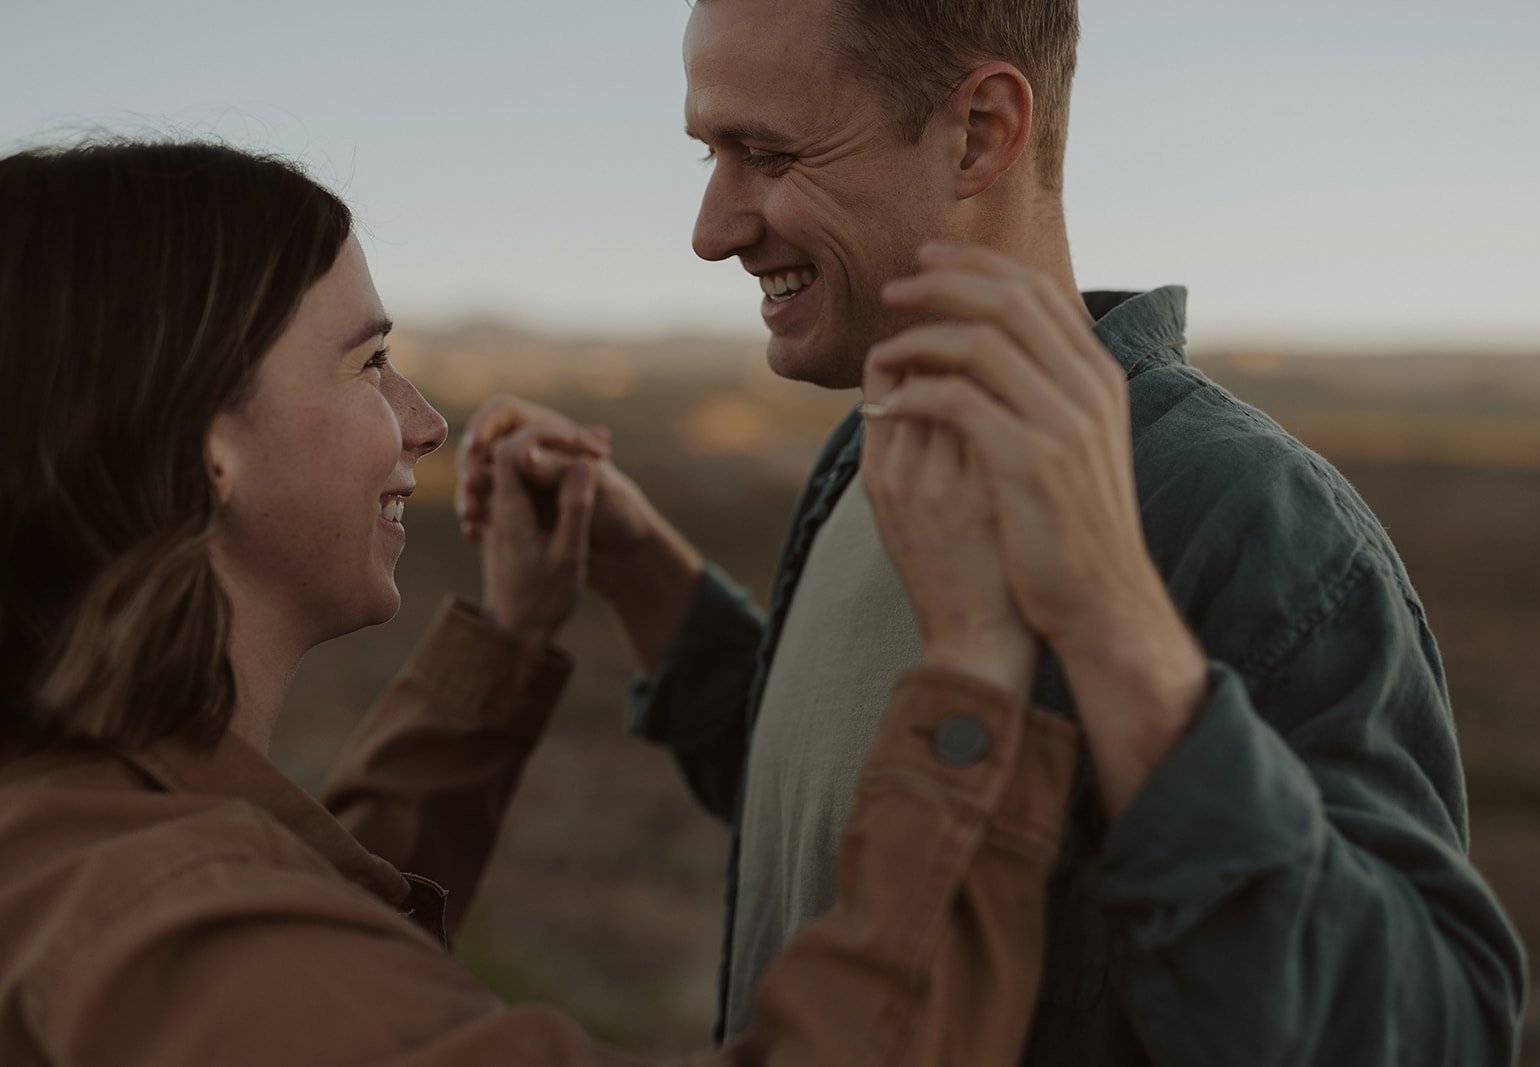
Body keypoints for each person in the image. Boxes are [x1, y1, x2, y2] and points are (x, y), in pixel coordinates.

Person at [457, 0, 1528, 1063]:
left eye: (766, 154)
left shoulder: (1248, 522)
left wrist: (1115, 628)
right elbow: (849, 796)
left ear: (979, 131)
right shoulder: (871, 442)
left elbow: (1434, 1034)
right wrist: (640, 567)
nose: (712, 229)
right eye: (709, 155)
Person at [0, 138, 1084, 1066]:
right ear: (206, 446)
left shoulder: (86, 836)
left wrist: (511, 636)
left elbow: (316, 936)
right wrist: (975, 665)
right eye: (368, 363)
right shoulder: (151, 924)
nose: (424, 423)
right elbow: (261, 959)